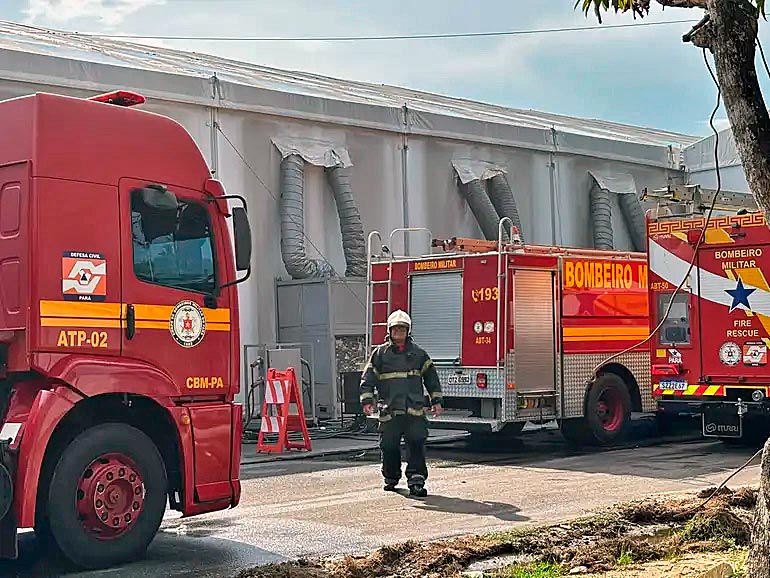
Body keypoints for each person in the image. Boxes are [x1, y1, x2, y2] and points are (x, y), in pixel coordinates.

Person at [359, 309, 443, 497]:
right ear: (389, 331)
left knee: (416, 445)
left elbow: (431, 378)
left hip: (414, 411)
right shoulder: (380, 354)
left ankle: (416, 481)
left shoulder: (419, 354)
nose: (398, 333)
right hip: (389, 411)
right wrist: (367, 401)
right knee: (388, 446)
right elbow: (368, 380)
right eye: (395, 329)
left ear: (408, 331)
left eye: (402, 329)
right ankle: (391, 477)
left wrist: (436, 401)